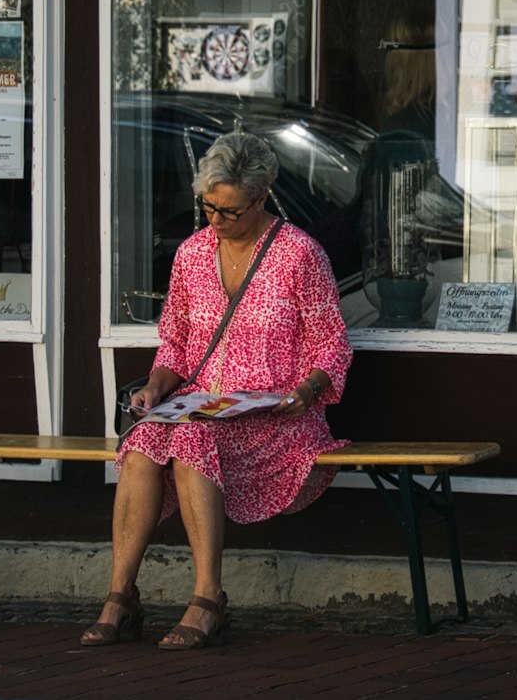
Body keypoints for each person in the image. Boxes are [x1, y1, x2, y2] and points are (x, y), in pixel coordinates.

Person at [80, 129, 352, 650]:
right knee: (140, 446)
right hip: (203, 403)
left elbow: (332, 345)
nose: (217, 221)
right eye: (208, 208)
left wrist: (308, 390)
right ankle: (121, 596)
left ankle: (208, 598)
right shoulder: (191, 255)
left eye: (230, 212)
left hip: (276, 415)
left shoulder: (299, 255)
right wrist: (156, 388)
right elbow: (176, 347)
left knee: (189, 443)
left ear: (262, 197)